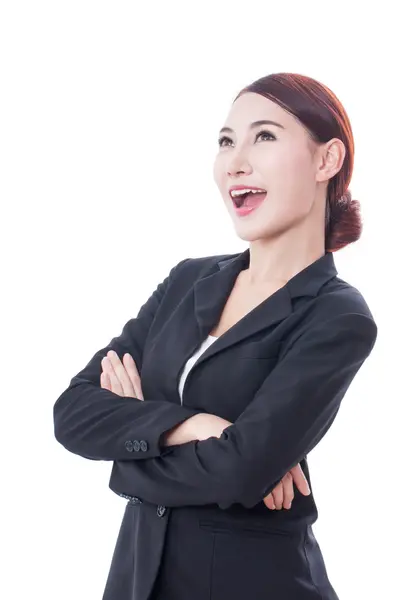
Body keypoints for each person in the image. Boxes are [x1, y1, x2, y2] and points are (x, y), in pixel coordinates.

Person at [53, 72, 378, 600]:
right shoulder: (187, 280)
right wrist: (195, 425)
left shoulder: (337, 317)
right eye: (226, 141)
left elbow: (239, 471)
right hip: (137, 582)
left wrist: (129, 447)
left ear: (327, 160)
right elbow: (72, 412)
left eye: (264, 137)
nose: (235, 161)